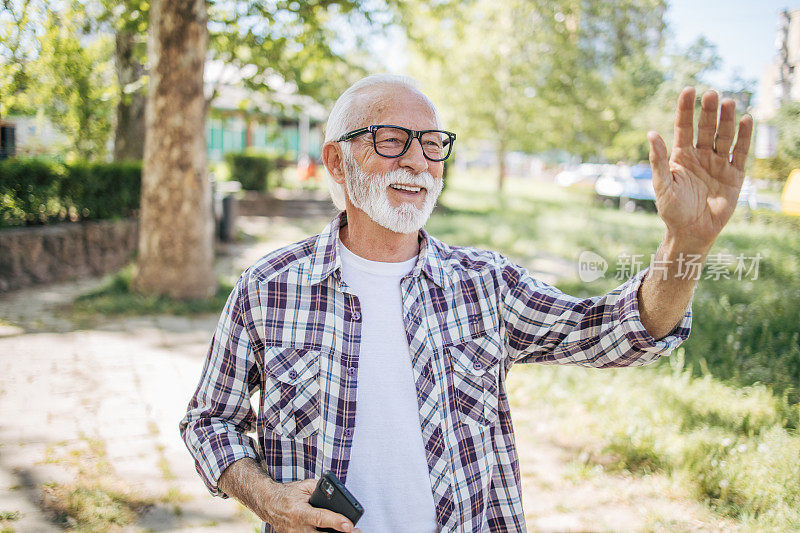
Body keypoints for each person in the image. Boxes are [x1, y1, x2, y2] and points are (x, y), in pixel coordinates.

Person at [180, 74, 753, 533]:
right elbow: (209, 421)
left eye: (432, 145)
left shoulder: (485, 283)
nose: (418, 161)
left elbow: (617, 332)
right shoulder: (269, 287)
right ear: (336, 161)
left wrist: (686, 245)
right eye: (391, 140)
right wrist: (270, 500)